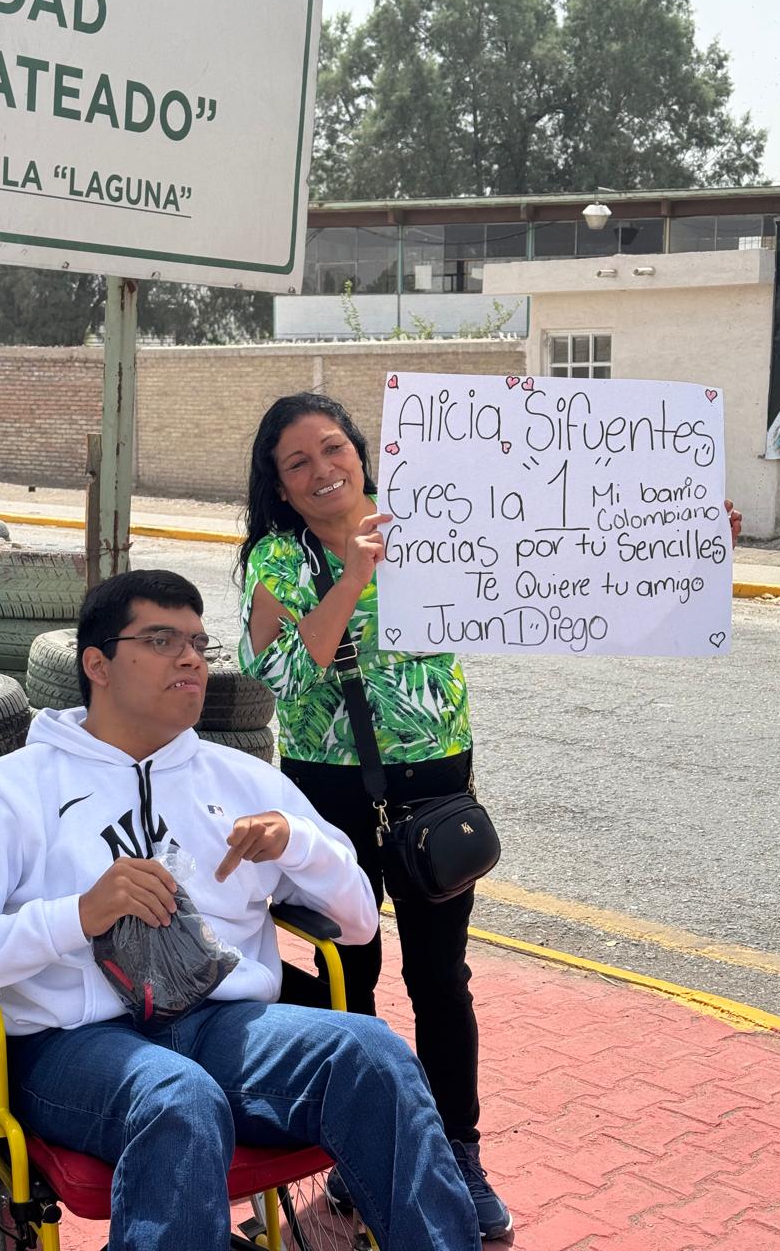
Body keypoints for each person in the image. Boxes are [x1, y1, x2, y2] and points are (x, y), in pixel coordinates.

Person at [0, 569, 480, 1251]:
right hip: (72, 1045)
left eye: (198, 642)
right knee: (177, 1096)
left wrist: (300, 845)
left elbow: (357, 923)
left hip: (225, 1026)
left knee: (373, 1053)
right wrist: (75, 915)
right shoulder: (7, 793)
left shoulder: (244, 781)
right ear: (97, 664)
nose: (191, 658)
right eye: (162, 640)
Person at [237, 392, 513, 1240]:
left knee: (441, 978)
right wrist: (354, 575)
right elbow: (284, 673)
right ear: (280, 486)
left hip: (436, 784)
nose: (322, 471)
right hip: (331, 790)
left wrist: (682, 547)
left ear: (360, 450)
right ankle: (362, 1148)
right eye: (298, 463)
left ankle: (459, 1153)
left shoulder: (433, 522)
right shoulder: (277, 561)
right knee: (350, 975)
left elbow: (553, 565)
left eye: (333, 449)